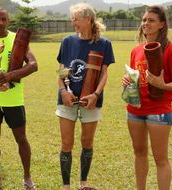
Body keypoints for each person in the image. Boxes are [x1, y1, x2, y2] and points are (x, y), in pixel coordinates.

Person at [122, 5, 172, 190]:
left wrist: (162, 85)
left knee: (160, 159)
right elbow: (137, 76)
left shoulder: (171, 49)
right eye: (144, 20)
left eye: (151, 20)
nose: (146, 23)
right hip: (135, 110)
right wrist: (128, 81)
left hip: (159, 111)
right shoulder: (136, 50)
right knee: (139, 153)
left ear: (161, 24)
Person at [55, 3, 115, 190]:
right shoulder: (67, 41)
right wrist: (63, 92)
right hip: (67, 99)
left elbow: (104, 74)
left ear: (88, 19)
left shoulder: (104, 44)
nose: (72, 22)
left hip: (91, 100)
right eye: (72, 18)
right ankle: (66, 186)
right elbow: (62, 72)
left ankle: (83, 183)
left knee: (87, 142)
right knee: (67, 143)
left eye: (75, 19)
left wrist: (96, 94)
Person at [0, 6, 38, 190]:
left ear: (9, 21)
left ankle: (28, 177)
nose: (0, 23)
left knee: (21, 138)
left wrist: (10, 76)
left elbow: (33, 65)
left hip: (13, 100)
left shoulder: (18, 40)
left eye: (3, 19)